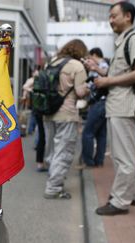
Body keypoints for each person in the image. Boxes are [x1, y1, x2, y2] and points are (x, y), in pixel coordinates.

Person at [92, 2, 135, 215]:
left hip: (124, 106)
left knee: (124, 157)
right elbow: (121, 75)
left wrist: (107, 82)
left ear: (128, 16)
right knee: (124, 154)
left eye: (114, 15)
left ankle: (120, 202)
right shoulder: (125, 40)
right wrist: (99, 72)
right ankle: (132, 194)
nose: (111, 20)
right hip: (118, 105)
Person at [43, 39, 89, 199]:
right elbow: (80, 92)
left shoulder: (52, 62)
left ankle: (54, 179)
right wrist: (89, 87)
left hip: (48, 112)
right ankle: (53, 188)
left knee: (52, 150)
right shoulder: (77, 66)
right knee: (64, 151)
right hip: (67, 113)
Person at [81, 47, 109, 168]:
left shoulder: (100, 66)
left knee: (87, 133)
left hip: (98, 103)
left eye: (89, 57)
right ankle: (99, 160)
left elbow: (92, 86)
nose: (89, 61)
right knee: (101, 134)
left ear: (94, 55)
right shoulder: (106, 64)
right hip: (106, 103)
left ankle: (88, 162)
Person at [22, 68, 47, 172]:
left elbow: (25, 87)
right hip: (44, 109)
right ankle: (42, 162)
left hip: (36, 107)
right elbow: (25, 87)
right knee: (43, 133)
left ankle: (40, 162)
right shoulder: (42, 78)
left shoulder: (36, 79)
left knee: (41, 132)